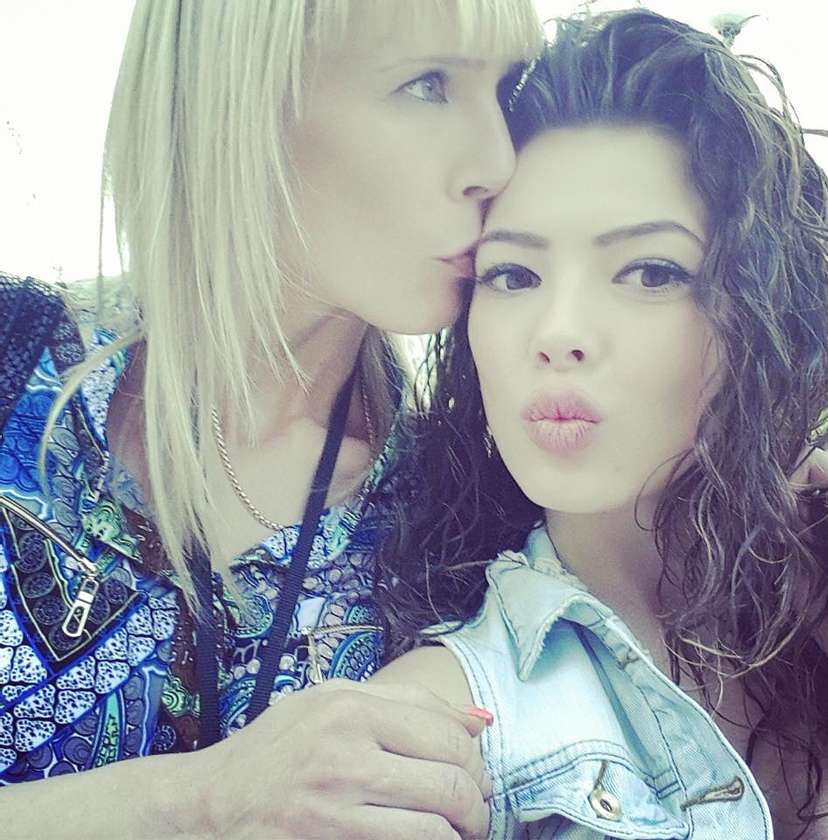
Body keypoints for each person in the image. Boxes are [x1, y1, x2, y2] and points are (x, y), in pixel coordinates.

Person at [0, 1, 543, 837]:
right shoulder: (15, 356)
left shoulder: (471, 513)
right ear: (240, 99)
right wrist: (205, 800)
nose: (498, 162)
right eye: (428, 84)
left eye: (507, 90)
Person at [374, 9, 828, 839]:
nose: (557, 333)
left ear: (764, 311)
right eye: (513, 275)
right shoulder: (436, 738)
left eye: (650, 272)